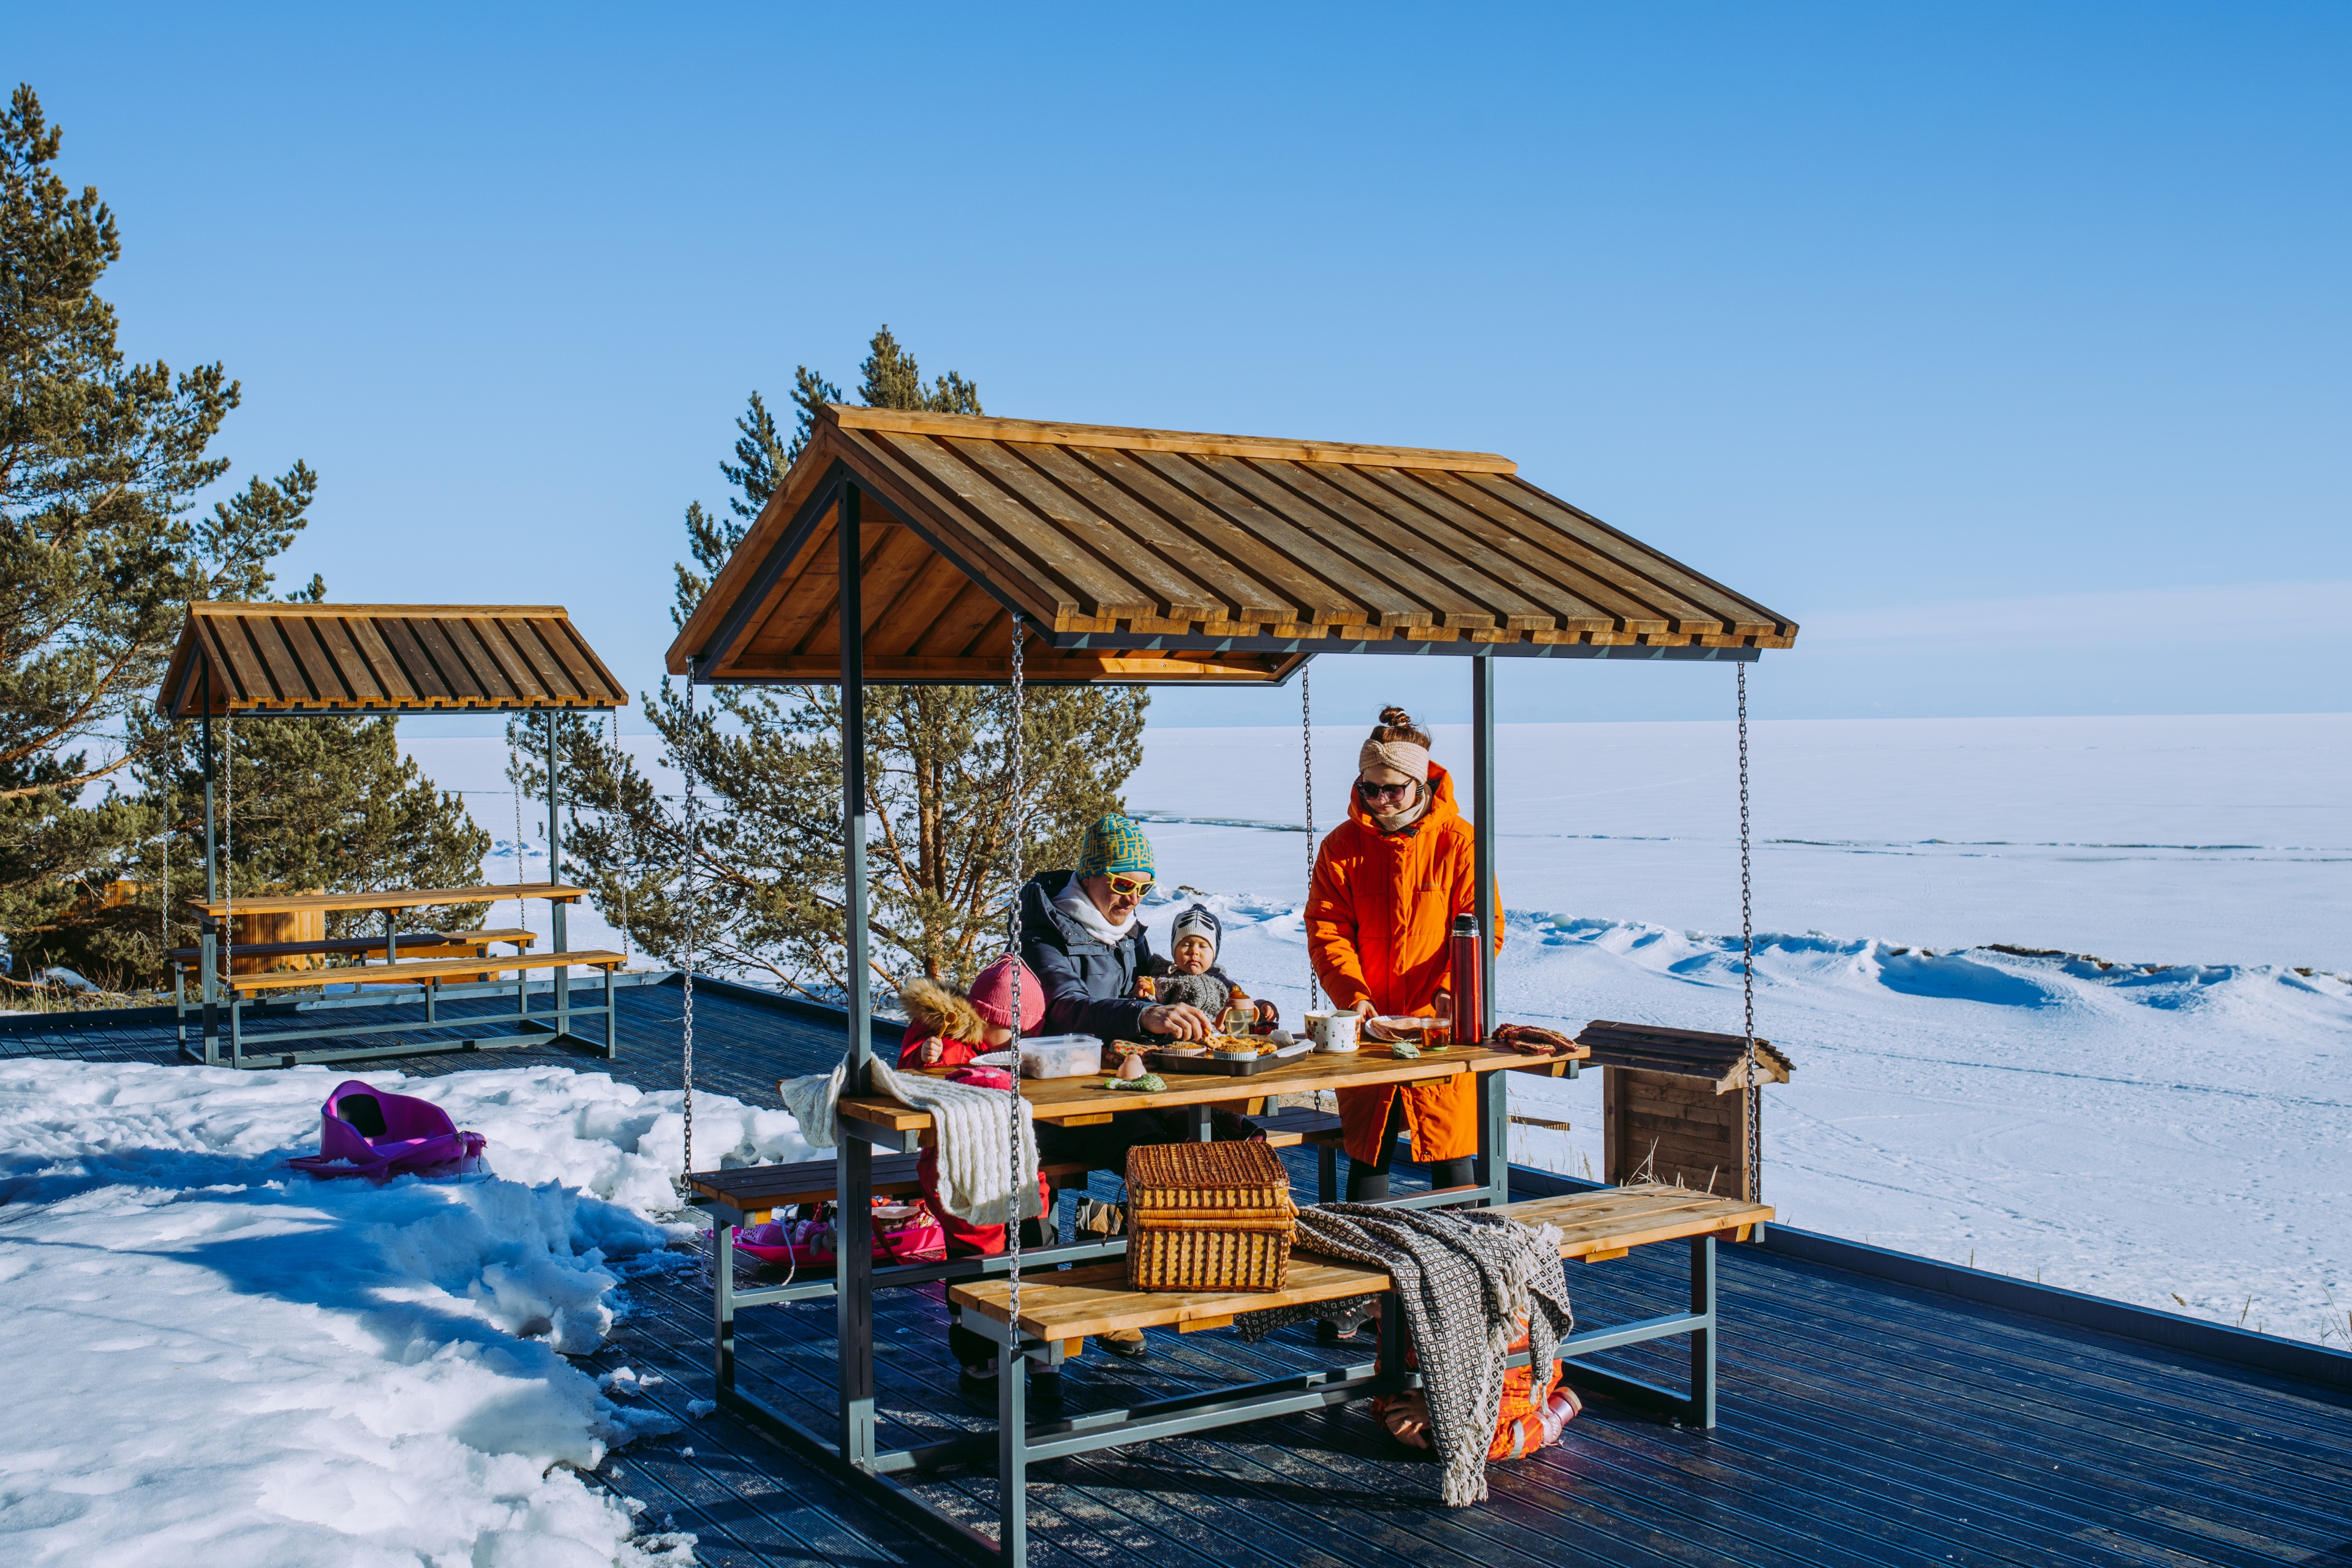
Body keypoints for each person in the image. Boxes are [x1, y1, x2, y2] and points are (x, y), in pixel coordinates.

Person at [1019, 816, 1266, 1361]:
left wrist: (1228, 996)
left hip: (1115, 1091)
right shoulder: (1044, 934)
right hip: (1055, 1105)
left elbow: (1159, 976)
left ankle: (1117, 1267)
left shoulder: (1127, 935)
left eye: (1143, 887)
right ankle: (1103, 1282)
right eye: (1122, 884)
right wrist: (1145, 1015)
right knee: (1159, 1155)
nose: (1132, 898)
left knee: (1229, 1139)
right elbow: (1067, 1005)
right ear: (1088, 876)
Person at [1306, 707, 1501, 1202]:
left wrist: (1450, 994)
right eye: (1370, 789)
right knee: (1368, 1150)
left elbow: (1484, 928)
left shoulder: (1460, 843)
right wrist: (1353, 997)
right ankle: (1367, 1263)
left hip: (1438, 1027)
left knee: (1451, 1149)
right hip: (1369, 1025)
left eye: (1392, 788)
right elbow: (1327, 928)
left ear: (1420, 782)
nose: (1380, 801)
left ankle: (1466, 1253)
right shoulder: (1341, 846)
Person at [1140, 904, 1278, 1028]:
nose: (1194, 951)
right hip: (1180, 1041)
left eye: (1203, 946)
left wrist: (1261, 1007)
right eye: (1186, 945)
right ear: (1174, 950)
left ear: (1214, 954)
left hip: (1220, 1044)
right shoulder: (1164, 981)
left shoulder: (1222, 983)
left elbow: (1241, 1009)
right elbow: (1149, 1011)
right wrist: (1143, 994)